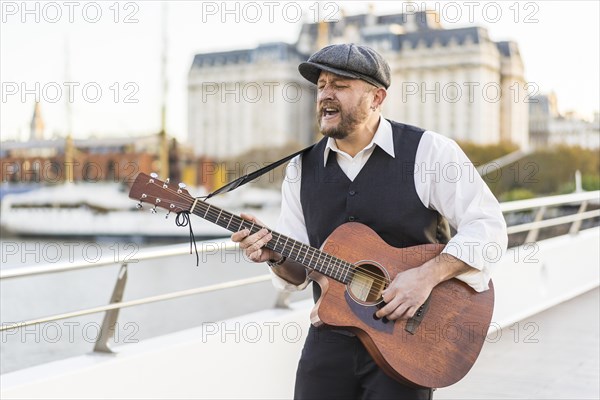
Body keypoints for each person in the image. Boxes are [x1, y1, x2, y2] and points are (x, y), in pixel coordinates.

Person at [231, 43, 507, 399]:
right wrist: (275, 257)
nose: (325, 95)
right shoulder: (300, 170)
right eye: (321, 85)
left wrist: (425, 277)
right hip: (329, 337)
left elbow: (488, 226)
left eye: (340, 86)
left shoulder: (429, 152)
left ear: (377, 97)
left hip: (408, 342)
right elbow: (298, 273)